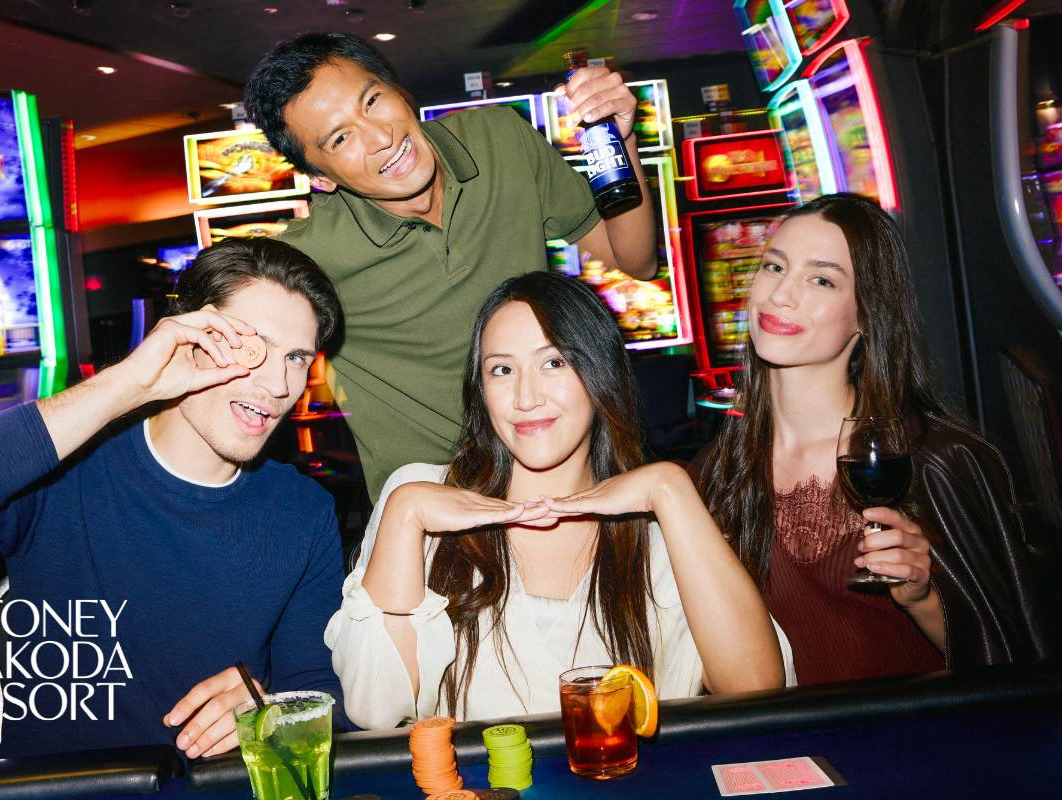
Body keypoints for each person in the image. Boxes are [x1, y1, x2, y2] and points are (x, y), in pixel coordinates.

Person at [0, 239, 350, 759]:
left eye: (295, 358)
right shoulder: (66, 471)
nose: (278, 384)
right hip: (70, 784)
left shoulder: (303, 510)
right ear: (189, 335)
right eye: (252, 346)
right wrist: (128, 385)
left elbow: (324, 695)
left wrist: (268, 702)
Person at [324, 272, 793, 729]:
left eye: (554, 363)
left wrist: (670, 488)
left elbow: (757, 691)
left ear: (600, 372)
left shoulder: (659, 526)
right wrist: (404, 512)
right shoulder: (422, 498)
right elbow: (374, 710)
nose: (526, 398)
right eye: (502, 369)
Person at [245, 32, 659, 502]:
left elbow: (637, 260)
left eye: (373, 101)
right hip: (440, 513)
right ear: (320, 177)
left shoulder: (500, 140)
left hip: (568, 476)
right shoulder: (307, 259)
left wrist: (620, 138)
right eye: (341, 138)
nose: (381, 138)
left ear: (398, 90)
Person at [692, 193, 1057, 685]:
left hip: (918, 731)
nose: (781, 295)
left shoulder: (937, 460)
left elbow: (1013, 667)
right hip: (783, 732)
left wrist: (921, 597)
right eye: (775, 267)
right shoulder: (715, 472)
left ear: (867, 314)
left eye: (821, 280)